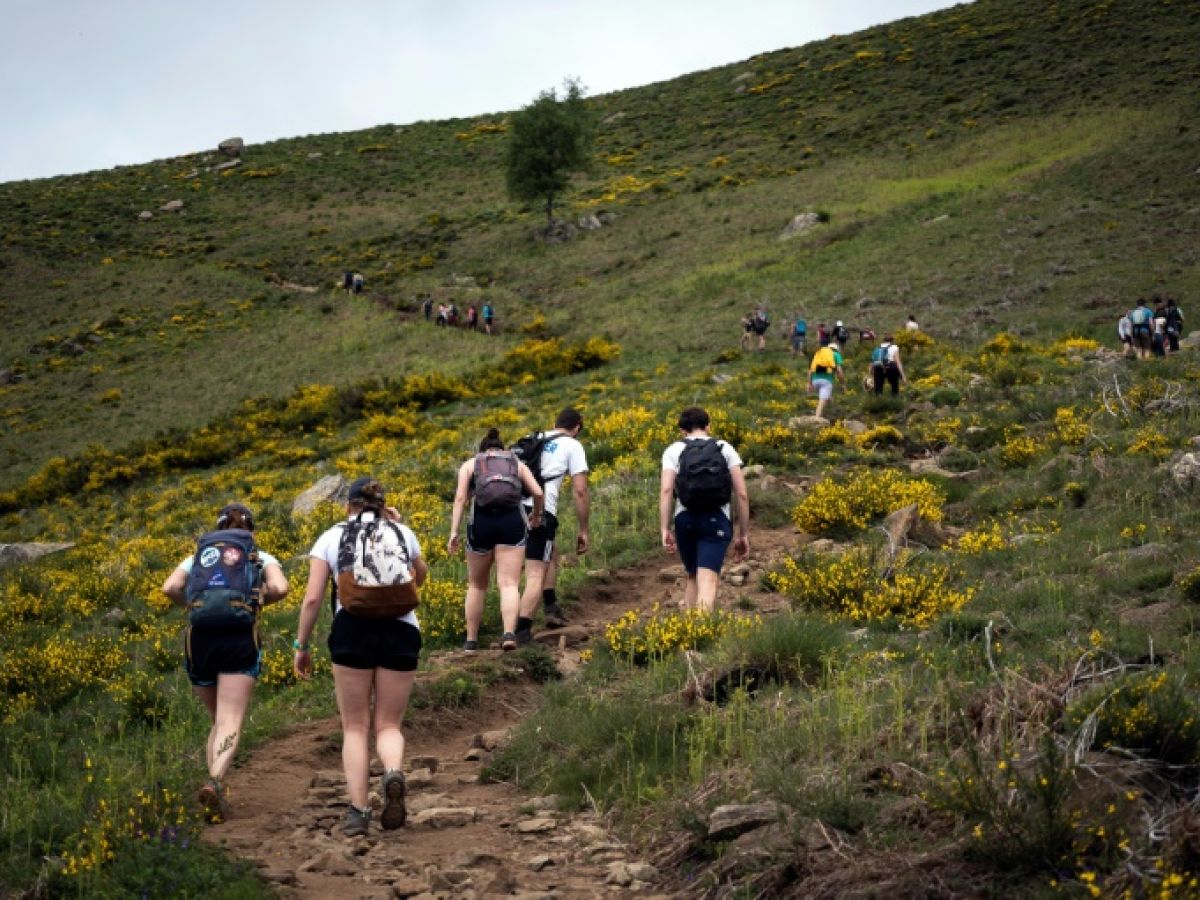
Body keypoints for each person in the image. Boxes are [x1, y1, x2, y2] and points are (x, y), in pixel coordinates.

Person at [293, 477, 428, 838]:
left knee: (355, 726)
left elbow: (312, 599)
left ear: (347, 505)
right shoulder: (402, 532)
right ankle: (393, 771)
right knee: (389, 725)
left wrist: (301, 646)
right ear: (384, 505)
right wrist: (397, 528)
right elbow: (421, 576)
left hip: (352, 629)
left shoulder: (331, 536)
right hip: (401, 630)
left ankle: (358, 811)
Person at [161, 503, 289, 823]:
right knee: (230, 719)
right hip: (239, 637)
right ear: (252, 530)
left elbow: (170, 587)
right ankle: (215, 782)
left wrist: (190, 605)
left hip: (200, 639)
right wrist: (256, 603)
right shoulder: (259, 556)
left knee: (218, 720)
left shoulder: (199, 556)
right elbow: (280, 588)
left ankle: (215, 784)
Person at [449, 430, 544, 652]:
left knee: (476, 585)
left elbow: (461, 499)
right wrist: (536, 515)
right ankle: (509, 634)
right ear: (502, 449)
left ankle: (471, 640)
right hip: (511, 522)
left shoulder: (471, 464)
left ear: (483, 450)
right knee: (509, 583)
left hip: (481, 523)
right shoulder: (516, 463)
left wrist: (454, 531)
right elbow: (538, 493)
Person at [659, 406, 750, 613]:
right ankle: (701, 638)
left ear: (682, 430)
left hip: (685, 519)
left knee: (692, 575)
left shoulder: (673, 450)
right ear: (708, 426)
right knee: (708, 578)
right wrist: (743, 534)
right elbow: (742, 494)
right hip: (716, 518)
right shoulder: (724, 447)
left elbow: (666, 490)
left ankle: (690, 633)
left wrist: (664, 529)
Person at [516, 408, 590, 644]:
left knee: (550, 552)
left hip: (512, 509)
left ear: (555, 423)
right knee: (536, 571)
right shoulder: (572, 445)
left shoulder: (535, 438)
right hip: (540, 510)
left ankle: (551, 605)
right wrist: (583, 529)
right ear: (577, 427)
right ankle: (523, 630)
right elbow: (580, 491)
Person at [808, 341, 844, 420]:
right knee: (822, 401)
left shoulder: (819, 353)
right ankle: (816, 419)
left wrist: (809, 383)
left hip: (815, 380)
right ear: (836, 349)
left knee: (827, 396)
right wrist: (842, 384)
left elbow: (810, 370)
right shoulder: (836, 354)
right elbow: (839, 371)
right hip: (826, 381)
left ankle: (833, 411)